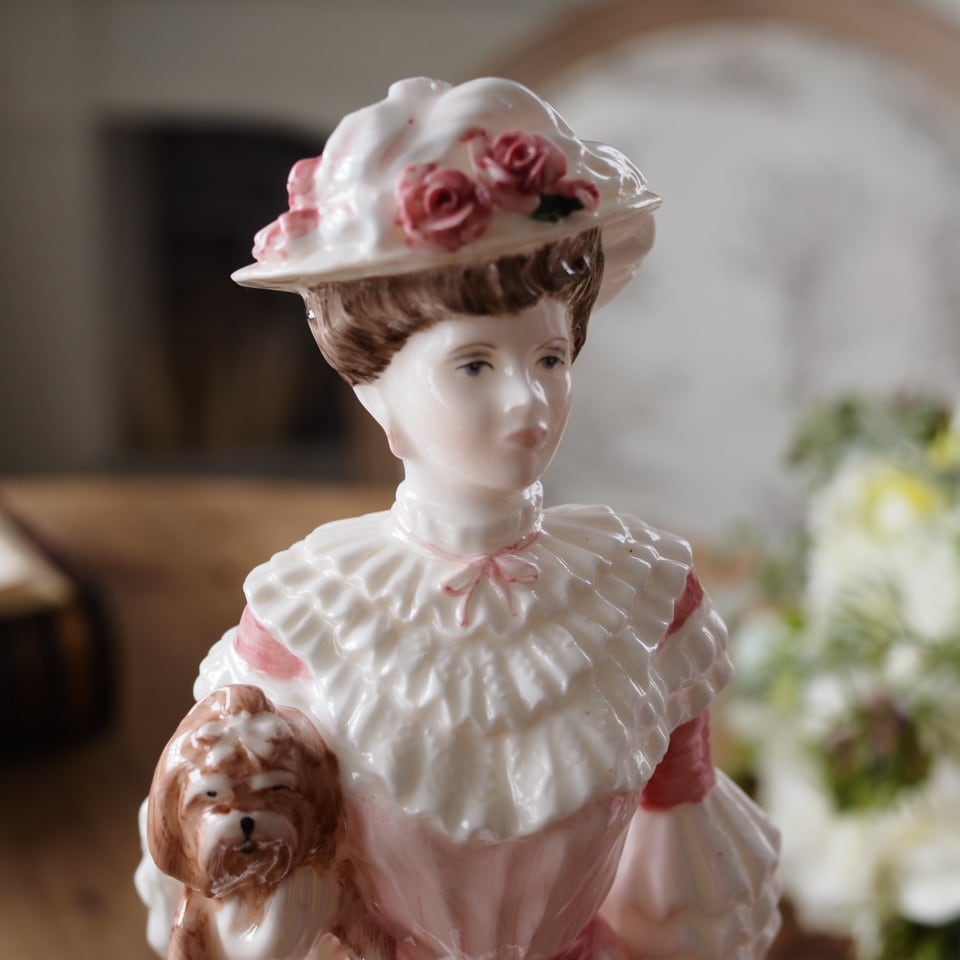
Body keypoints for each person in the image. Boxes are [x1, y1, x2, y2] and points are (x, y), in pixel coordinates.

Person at [137, 76, 780, 960]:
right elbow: (246, 878)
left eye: (549, 357)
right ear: (375, 386)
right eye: (474, 365)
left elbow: (681, 875)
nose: (529, 400)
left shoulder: (644, 597)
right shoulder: (304, 620)